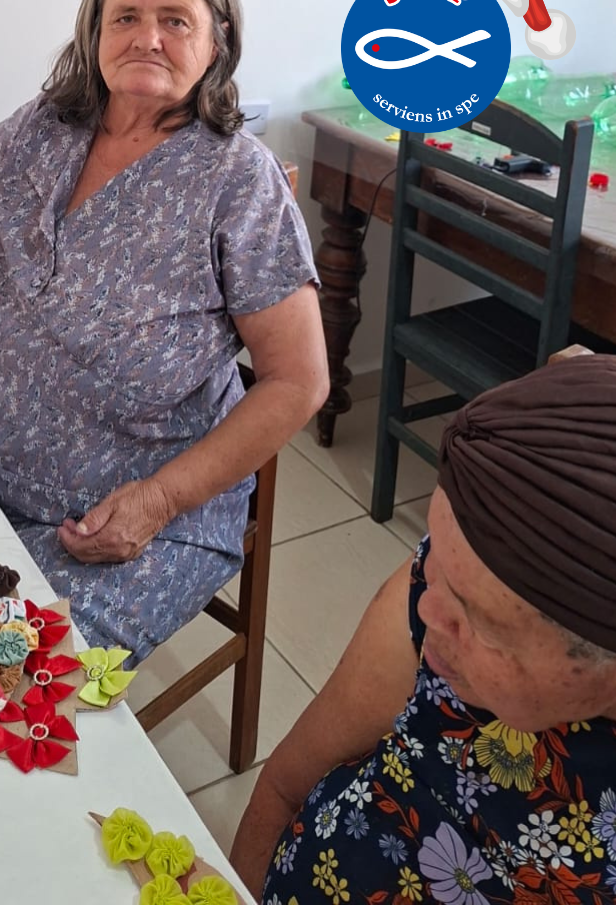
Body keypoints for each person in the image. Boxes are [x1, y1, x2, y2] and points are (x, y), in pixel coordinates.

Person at [0, 0, 328, 662]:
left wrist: (159, 500)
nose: (148, 38)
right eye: (126, 18)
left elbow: (299, 381)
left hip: (128, 517)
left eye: (175, 20)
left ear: (218, 38)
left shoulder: (239, 182)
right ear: (96, 30)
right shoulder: (48, 125)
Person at [231, 352, 616, 903]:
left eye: (478, 622)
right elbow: (282, 788)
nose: (427, 610)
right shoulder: (437, 595)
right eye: (433, 562)